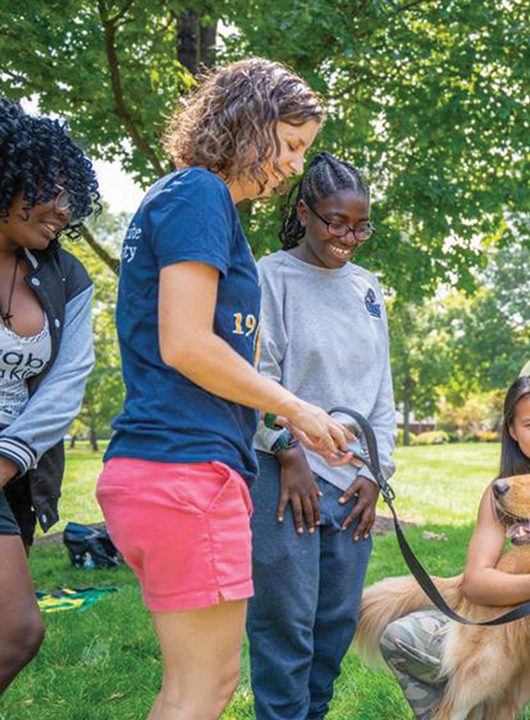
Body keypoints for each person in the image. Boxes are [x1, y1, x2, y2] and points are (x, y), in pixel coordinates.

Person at [95, 58, 351, 720]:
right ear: (252, 123)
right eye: (292, 145)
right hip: (183, 471)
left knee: (190, 688)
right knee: (203, 692)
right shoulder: (198, 195)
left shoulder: (191, 201)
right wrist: (294, 404)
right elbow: (185, 343)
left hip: (172, 470)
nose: (296, 166)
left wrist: (289, 420)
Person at [245, 152, 396, 719]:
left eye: (360, 225)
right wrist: (287, 454)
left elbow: (379, 387)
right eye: (337, 222)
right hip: (285, 476)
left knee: (335, 622)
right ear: (305, 212)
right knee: (286, 623)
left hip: (352, 483)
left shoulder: (368, 288)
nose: (350, 237)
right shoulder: (269, 276)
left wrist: (374, 475)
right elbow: (257, 378)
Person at [380, 373, 530, 719]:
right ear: (512, 431)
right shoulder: (501, 493)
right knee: (399, 636)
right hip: (511, 633)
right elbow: (477, 583)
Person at [0, 100, 98, 694]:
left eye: (71, 195)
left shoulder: (67, 276)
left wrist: (10, 459)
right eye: (48, 189)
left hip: (18, 470)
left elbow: (67, 383)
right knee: (17, 629)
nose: (63, 208)